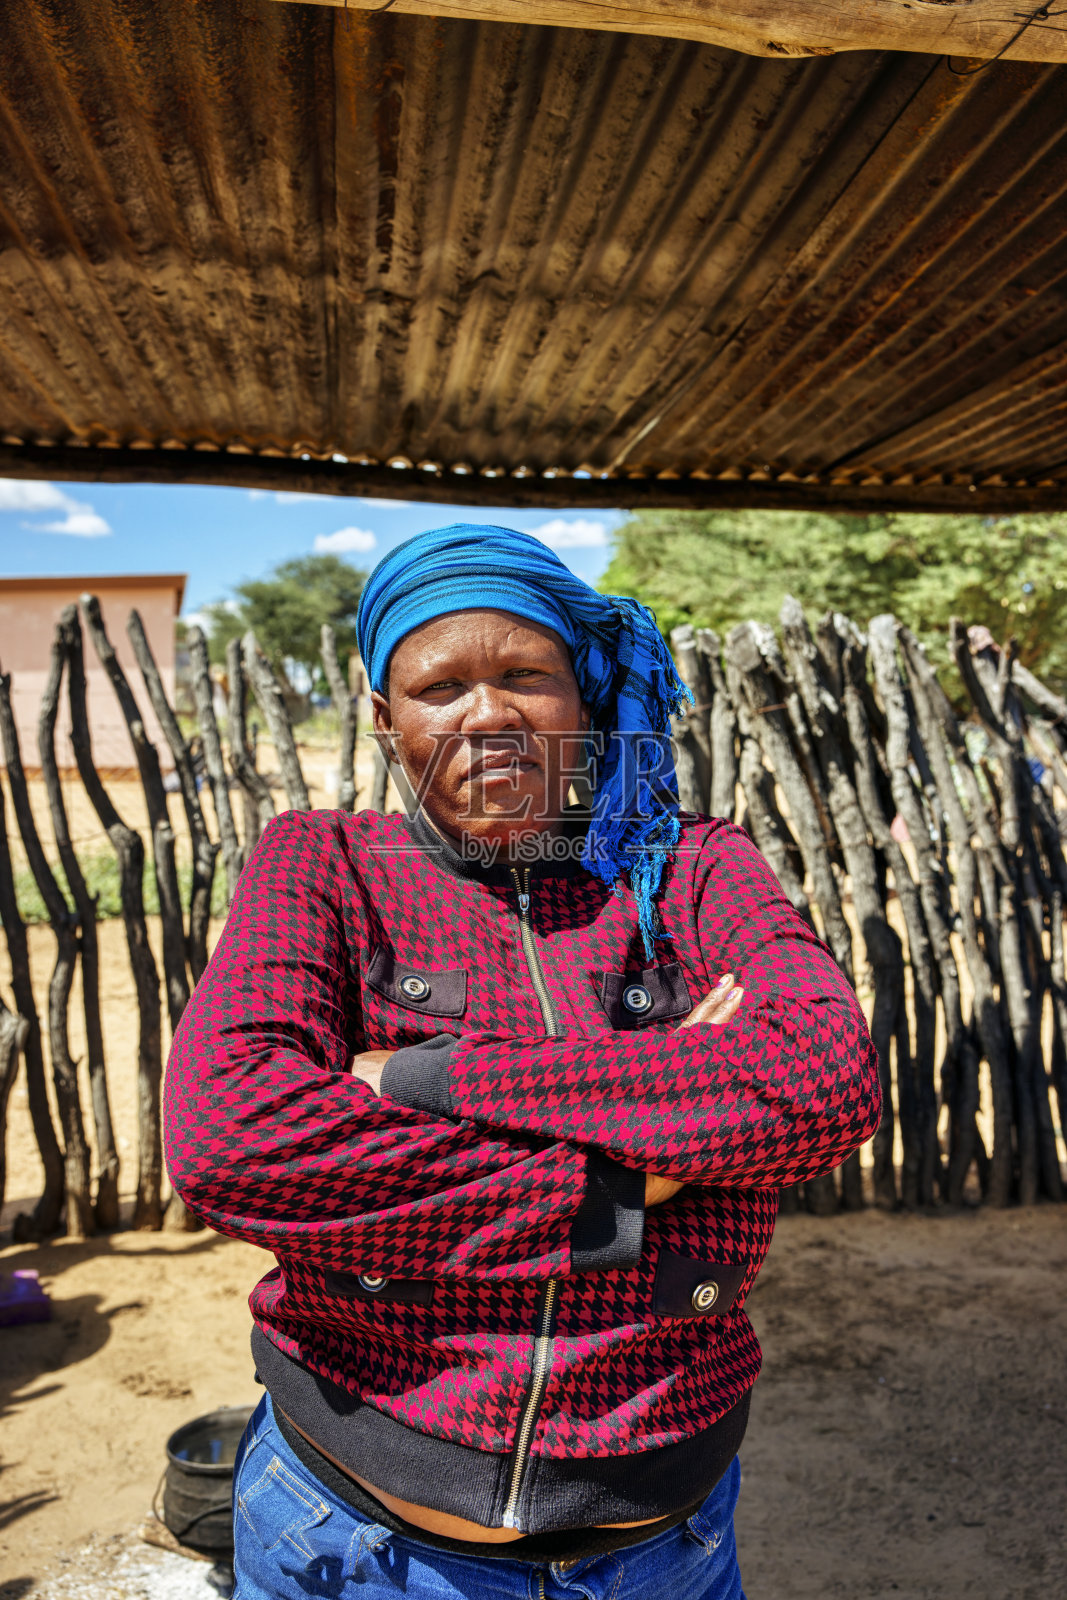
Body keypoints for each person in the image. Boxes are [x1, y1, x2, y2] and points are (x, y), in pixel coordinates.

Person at [165, 524, 880, 1600]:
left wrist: (422, 1081)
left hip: (662, 1549)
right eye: (439, 685)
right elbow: (233, 1138)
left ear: (580, 697)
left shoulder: (693, 869)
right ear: (385, 718)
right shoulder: (323, 865)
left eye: (524, 674)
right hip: (355, 1533)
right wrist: (635, 1171)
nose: (488, 713)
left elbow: (823, 1078)